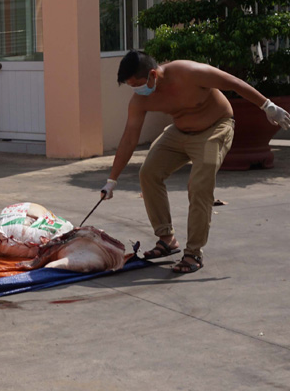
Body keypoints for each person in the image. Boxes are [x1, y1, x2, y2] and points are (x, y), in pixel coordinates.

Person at [100, 50, 290, 273]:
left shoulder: (189, 72)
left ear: (153, 74)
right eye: (131, 86)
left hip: (216, 128)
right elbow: (130, 137)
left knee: (200, 184)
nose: (136, 90)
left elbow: (235, 83)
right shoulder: (140, 100)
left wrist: (267, 106)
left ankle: (193, 253)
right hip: (179, 132)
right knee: (149, 173)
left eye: (138, 84)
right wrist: (112, 179)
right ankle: (167, 239)